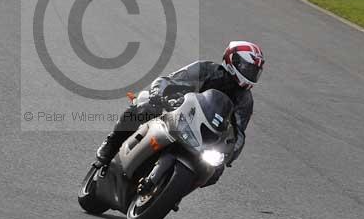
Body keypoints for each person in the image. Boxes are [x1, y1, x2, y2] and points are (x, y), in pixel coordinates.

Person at [94, 41, 265, 179]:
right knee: (145, 105)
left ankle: (172, 191)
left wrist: (229, 154)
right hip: (177, 113)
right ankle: (112, 143)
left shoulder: (245, 100)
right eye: (248, 68)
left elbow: (239, 134)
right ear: (233, 60)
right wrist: (158, 94)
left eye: (255, 70)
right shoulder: (206, 69)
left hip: (204, 136)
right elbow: (169, 80)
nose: (251, 73)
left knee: (214, 171)